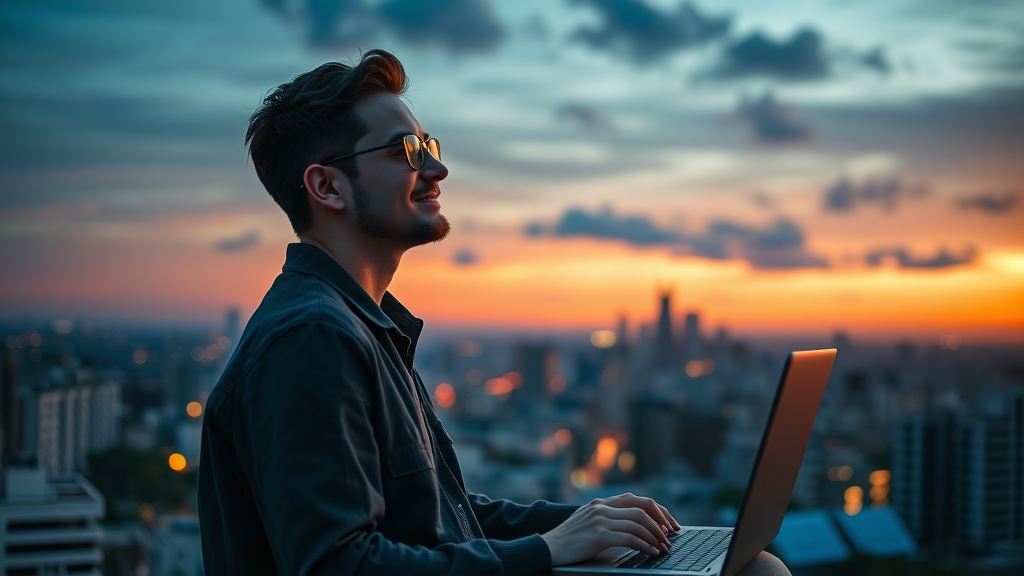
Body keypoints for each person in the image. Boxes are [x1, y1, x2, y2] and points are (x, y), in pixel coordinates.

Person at [198, 50, 788, 576]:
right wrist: (550, 550)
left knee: (748, 564)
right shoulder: (312, 338)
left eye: (430, 146)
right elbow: (338, 563)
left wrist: (591, 521)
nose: (436, 169)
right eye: (407, 151)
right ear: (328, 187)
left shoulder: (363, 327)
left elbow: (446, 517)